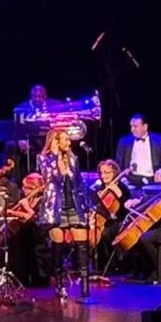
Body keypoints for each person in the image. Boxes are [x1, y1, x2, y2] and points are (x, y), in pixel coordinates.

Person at [37, 127, 92, 299]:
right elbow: (51, 177)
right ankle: (60, 285)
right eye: (65, 139)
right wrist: (55, 157)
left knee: (82, 246)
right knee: (58, 249)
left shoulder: (73, 159)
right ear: (56, 141)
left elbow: (79, 183)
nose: (69, 142)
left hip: (74, 206)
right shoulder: (44, 158)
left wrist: (86, 207)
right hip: (55, 208)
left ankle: (85, 289)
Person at [114, 114, 161, 186]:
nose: (132, 129)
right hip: (131, 180)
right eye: (131, 126)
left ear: (145, 127)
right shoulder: (124, 141)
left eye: (135, 126)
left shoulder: (159, 140)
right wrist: (123, 178)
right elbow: (118, 165)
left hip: (153, 180)